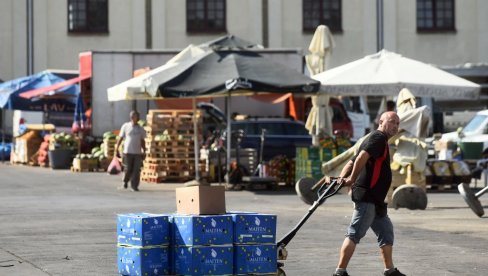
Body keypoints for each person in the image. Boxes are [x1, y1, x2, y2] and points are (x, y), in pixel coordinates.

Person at [332, 111, 405, 276]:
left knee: (386, 232)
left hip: (376, 199)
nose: (395, 126)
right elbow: (360, 158)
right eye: (392, 121)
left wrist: (342, 178)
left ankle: (390, 270)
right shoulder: (378, 138)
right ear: (381, 121)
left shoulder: (375, 139)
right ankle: (339, 272)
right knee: (354, 233)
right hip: (368, 197)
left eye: (397, 123)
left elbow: (352, 161)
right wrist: (349, 180)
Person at [115, 110, 146, 192]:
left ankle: (134, 185)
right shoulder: (126, 126)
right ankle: (125, 181)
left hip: (137, 153)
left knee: (136, 170)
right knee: (128, 169)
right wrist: (116, 148)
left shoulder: (141, 129)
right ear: (132, 117)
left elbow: (142, 141)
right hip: (127, 152)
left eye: (138, 116)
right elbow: (120, 138)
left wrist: (144, 150)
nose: (138, 118)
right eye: (136, 116)